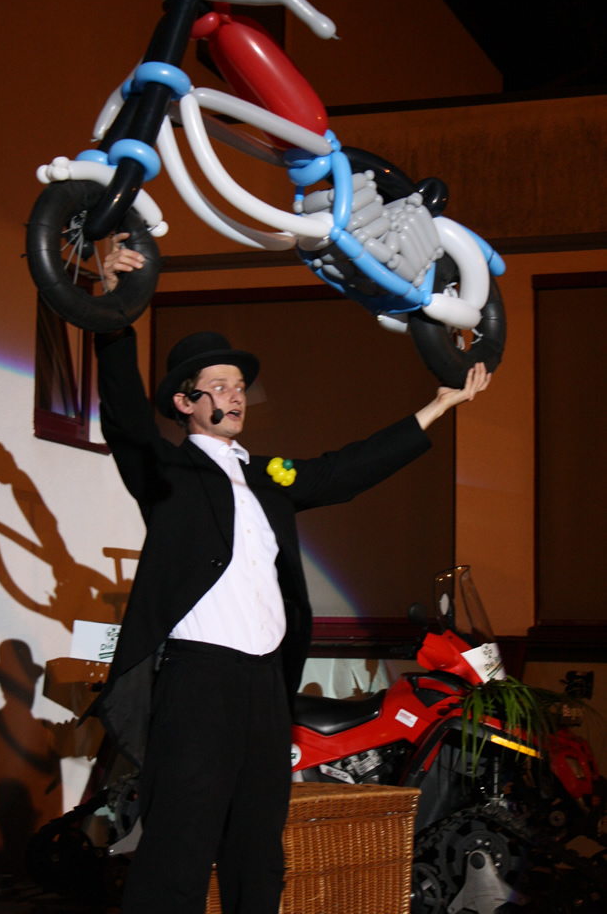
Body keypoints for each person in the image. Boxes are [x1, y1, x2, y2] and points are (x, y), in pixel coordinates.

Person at [94, 236, 491, 914]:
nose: (235, 396)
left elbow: (342, 471)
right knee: (179, 847)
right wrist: (111, 305)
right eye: (219, 387)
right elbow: (126, 415)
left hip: (263, 685)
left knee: (258, 848)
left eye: (239, 386)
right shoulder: (167, 473)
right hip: (198, 682)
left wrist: (435, 408)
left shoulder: (266, 476)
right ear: (185, 402)